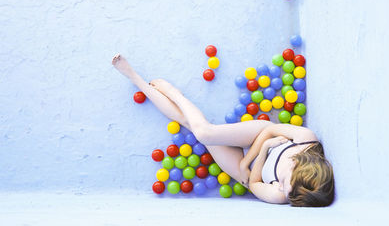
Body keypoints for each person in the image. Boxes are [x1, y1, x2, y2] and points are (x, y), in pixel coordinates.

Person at [112, 53, 335, 206]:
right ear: (298, 165)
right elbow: (269, 132)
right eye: (285, 182)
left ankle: (135, 78)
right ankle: (175, 94)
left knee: (188, 124)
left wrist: (254, 162)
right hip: (257, 137)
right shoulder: (306, 140)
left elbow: (254, 184)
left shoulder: (284, 196)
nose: (281, 188)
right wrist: (258, 152)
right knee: (204, 133)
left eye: (286, 192)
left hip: (247, 172)